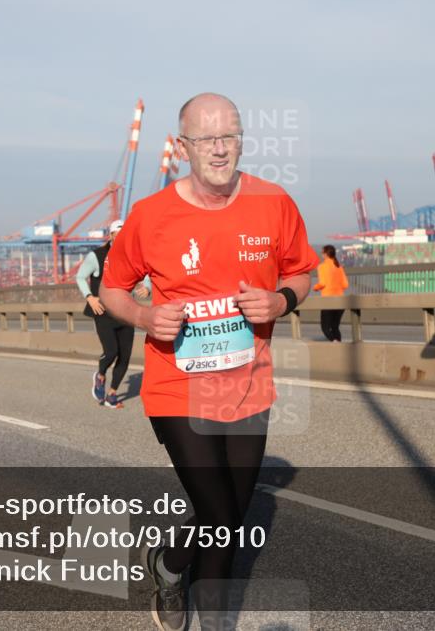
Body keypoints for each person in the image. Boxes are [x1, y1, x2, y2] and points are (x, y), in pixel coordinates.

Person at [100, 93, 318, 631]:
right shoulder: (151, 217)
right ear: (181, 147)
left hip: (248, 388)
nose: (221, 150)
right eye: (207, 139)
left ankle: (169, 562)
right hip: (178, 387)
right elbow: (112, 289)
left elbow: (301, 273)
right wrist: (147, 318)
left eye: (231, 137)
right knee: (221, 518)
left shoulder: (274, 202)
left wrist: (281, 301)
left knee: (231, 520)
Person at [76, 219, 149, 409]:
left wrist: (147, 287)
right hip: (103, 311)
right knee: (111, 352)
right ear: (111, 236)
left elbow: (149, 270)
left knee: (125, 356)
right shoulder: (97, 256)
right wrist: (90, 297)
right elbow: (80, 276)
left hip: (126, 309)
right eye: (118, 235)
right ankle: (100, 376)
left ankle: (112, 394)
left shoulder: (133, 255)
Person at [313, 244, 349, 342]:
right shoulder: (339, 266)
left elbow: (323, 283)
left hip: (328, 301)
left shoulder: (322, 267)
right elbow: (345, 285)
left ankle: (334, 343)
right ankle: (338, 345)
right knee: (335, 327)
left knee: (325, 328)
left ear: (325, 254)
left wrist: (315, 288)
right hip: (340, 301)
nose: (322, 255)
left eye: (322, 253)